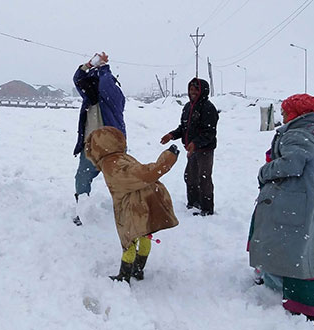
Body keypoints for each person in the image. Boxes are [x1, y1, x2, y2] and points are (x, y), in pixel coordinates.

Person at [247, 94, 314, 327]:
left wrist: (265, 171)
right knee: (300, 246)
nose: (283, 115)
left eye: (286, 112)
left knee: (285, 245)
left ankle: (289, 295)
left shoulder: (297, 133)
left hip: (294, 201)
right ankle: (278, 283)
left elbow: (292, 164)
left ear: (297, 113)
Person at [85, 126, 180, 282]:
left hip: (132, 208)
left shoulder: (113, 162)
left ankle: (125, 274)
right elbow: (142, 174)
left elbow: (144, 174)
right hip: (140, 203)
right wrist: (166, 159)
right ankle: (137, 269)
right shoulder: (118, 160)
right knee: (143, 236)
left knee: (130, 240)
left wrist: (167, 159)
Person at [72, 52, 126, 225]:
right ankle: (82, 210)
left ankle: (125, 209)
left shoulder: (114, 99)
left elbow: (105, 86)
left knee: (119, 181)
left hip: (112, 149)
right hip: (91, 148)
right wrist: (89, 65)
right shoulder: (89, 100)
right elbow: (78, 79)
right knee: (82, 178)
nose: (87, 88)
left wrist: (103, 68)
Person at [160, 78, 218, 216]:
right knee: (190, 177)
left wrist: (196, 143)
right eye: (191, 89)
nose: (193, 92)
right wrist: (171, 135)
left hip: (204, 150)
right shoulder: (187, 107)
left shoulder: (208, 108)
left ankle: (206, 209)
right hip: (191, 149)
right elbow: (183, 128)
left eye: (196, 90)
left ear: (202, 91)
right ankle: (193, 203)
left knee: (204, 178)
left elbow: (209, 132)